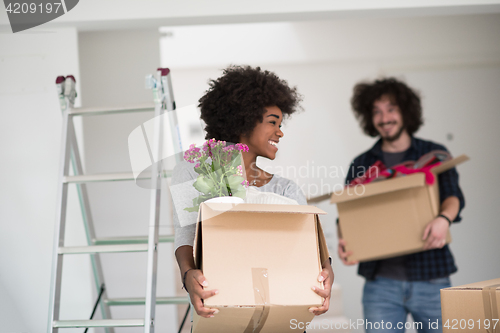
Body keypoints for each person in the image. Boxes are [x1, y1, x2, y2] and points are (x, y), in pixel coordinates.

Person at [173, 65, 334, 322]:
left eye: (281, 124)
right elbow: (185, 233)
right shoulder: (191, 172)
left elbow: (310, 244)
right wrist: (187, 275)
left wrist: (327, 270)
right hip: (220, 310)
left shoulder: (285, 189)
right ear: (244, 119)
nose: (280, 132)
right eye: (273, 122)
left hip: (280, 315)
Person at [338, 78, 465, 332]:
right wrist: (345, 240)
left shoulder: (433, 154)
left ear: (406, 111)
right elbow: (349, 212)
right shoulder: (362, 163)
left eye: (391, 109)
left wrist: (444, 220)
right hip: (380, 285)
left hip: (432, 277)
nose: (384, 118)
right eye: (376, 111)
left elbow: (453, 197)